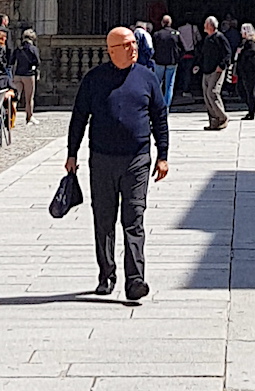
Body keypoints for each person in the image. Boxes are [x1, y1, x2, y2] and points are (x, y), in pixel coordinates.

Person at [66, 25, 170, 303]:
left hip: (137, 160)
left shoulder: (147, 78)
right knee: (104, 219)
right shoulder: (94, 79)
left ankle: (135, 279)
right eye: (127, 44)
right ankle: (107, 274)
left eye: (134, 43)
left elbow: (159, 117)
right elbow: (79, 117)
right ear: (112, 50)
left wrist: (163, 155)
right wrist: (71, 153)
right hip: (101, 159)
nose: (134, 48)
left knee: (133, 219)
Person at [197, 16, 232, 130]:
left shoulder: (220, 37)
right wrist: (198, 65)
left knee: (212, 92)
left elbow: (227, 53)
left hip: (216, 70)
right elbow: (203, 54)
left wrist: (222, 65)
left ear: (210, 26)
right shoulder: (207, 38)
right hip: (206, 70)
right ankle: (214, 120)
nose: (204, 26)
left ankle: (223, 117)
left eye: (206, 24)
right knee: (206, 95)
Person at [234, 23, 255, 121]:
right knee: (242, 89)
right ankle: (251, 107)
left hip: (249, 71)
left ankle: (252, 110)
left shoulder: (251, 42)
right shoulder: (245, 42)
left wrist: (242, 53)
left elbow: (252, 51)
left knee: (249, 90)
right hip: (245, 71)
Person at [10, 28, 40, 123]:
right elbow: (37, 61)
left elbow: (12, 61)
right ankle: (29, 117)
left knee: (15, 97)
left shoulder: (18, 49)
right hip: (28, 75)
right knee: (29, 98)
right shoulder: (33, 49)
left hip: (18, 74)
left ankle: (11, 116)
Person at [150, 16, 181, 107]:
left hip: (159, 61)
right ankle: (166, 107)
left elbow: (153, 48)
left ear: (162, 23)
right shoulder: (176, 34)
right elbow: (181, 47)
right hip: (172, 61)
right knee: (169, 86)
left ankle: (156, 104)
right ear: (170, 23)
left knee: (157, 84)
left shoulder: (157, 34)